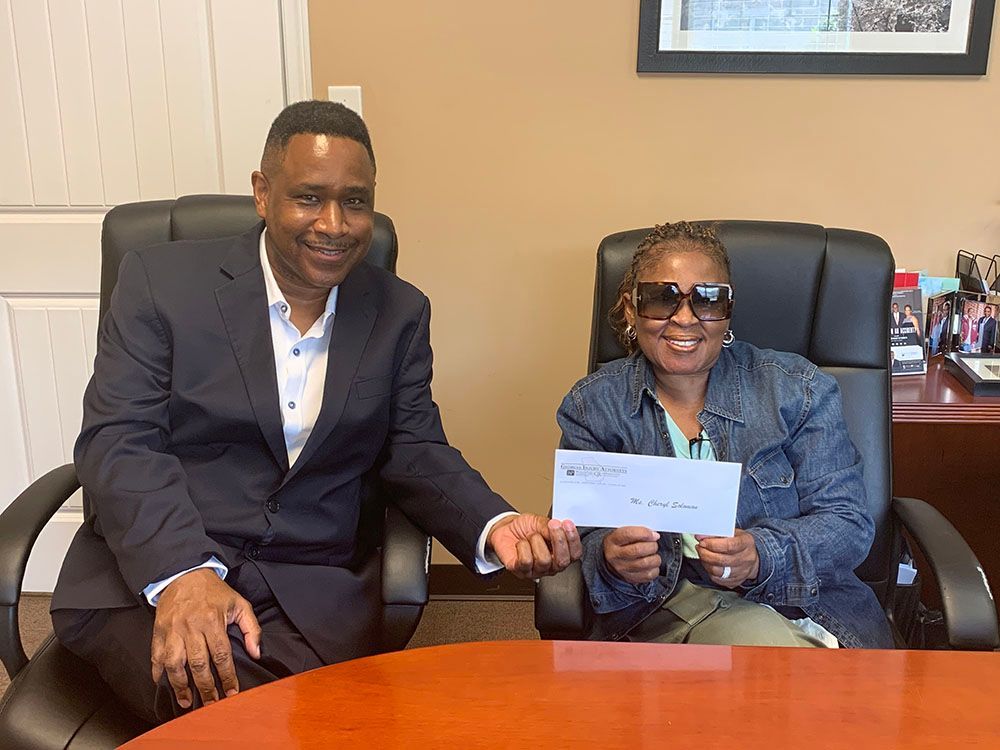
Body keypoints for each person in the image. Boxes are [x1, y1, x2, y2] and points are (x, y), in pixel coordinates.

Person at [50, 101, 581, 725]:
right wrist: (183, 574)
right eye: (309, 198)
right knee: (262, 715)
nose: (334, 224)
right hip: (155, 568)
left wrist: (495, 524)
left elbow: (414, 449)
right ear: (262, 193)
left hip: (307, 589)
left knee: (296, 716)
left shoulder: (398, 312)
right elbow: (120, 439)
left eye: (356, 202)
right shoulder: (161, 283)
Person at [556, 222, 892, 649]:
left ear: (727, 310)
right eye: (662, 298)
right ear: (630, 308)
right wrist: (610, 556)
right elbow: (579, 537)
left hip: (801, 604)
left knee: (775, 665)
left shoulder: (798, 390)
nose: (684, 319)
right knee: (764, 663)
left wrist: (760, 554)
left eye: (707, 299)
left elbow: (848, 524)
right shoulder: (592, 407)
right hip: (658, 611)